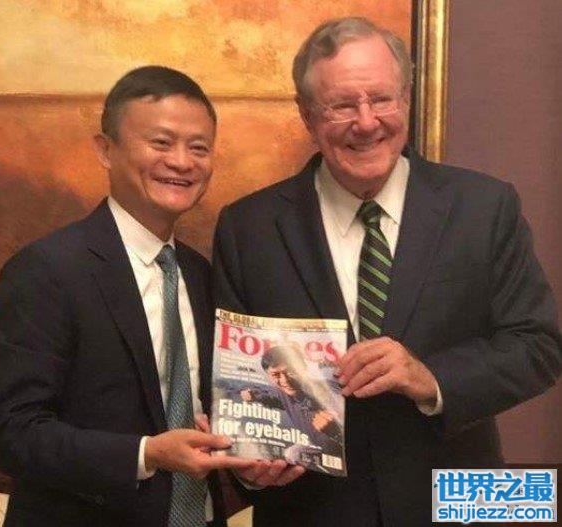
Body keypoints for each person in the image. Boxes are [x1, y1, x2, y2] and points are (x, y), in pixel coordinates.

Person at [212, 17, 562, 527]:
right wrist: (249, 467)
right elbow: (228, 382)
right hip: (309, 511)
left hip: (458, 503)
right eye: (341, 105)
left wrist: (431, 378)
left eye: (381, 99)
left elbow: (539, 347)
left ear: (406, 98)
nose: (366, 121)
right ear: (307, 115)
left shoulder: (484, 207)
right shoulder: (249, 227)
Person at [0, 66, 254, 527]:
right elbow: (13, 434)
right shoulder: (46, 270)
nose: (182, 162)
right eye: (161, 142)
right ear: (106, 150)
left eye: (199, 147)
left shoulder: (201, 274)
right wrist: (146, 454)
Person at [241, 346, 343, 457]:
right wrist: (252, 394)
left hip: (341, 452)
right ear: (269, 376)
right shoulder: (283, 394)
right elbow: (267, 394)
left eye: (291, 372)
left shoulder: (331, 392)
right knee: (291, 454)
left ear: (303, 368)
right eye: (276, 375)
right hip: (319, 448)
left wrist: (336, 433)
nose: (285, 381)